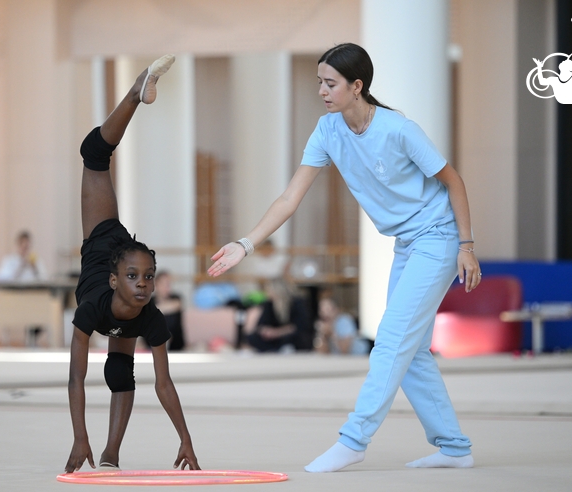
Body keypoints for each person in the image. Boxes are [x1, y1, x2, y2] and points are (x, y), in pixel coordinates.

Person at [208, 43, 481, 472]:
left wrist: (467, 246)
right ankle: (453, 447)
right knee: (411, 350)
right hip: (407, 244)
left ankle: (354, 440)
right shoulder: (327, 131)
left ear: (357, 87)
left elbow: (453, 181)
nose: (321, 90)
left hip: (438, 236)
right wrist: (246, 243)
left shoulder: (398, 129)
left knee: (391, 339)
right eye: (319, 81)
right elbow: (289, 198)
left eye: (330, 83)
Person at [64, 54, 199, 473]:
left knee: (121, 373)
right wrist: (79, 437)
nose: (144, 285)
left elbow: (164, 385)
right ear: (115, 279)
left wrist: (186, 442)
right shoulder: (91, 309)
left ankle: (111, 456)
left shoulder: (151, 317)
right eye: (135, 278)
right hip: (106, 238)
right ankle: (136, 90)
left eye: (149, 279)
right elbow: (75, 378)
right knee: (93, 152)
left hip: (124, 269)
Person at [533, 6, 572, 104]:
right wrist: (539, 67)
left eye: (568, 61)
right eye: (569, 60)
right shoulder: (556, 80)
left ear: (570, 69)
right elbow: (542, 82)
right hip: (569, 97)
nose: (566, 59)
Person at [246, 279, 312, 353]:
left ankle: (283, 347)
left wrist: (277, 332)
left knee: (298, 337)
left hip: (288, 335)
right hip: (274, 337)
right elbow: (262, 323)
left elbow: (299, 326)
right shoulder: (269, 304)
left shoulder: (297, 302)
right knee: (252, 337)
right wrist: (265, 331)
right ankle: (274, 348)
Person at [154, 271, 186, 351]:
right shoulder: (150, 301)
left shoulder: (176, 298)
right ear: (156, 285)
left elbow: (176, 305)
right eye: (163, 284)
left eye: (168, 284)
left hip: (177, 346)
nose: (167, 288)